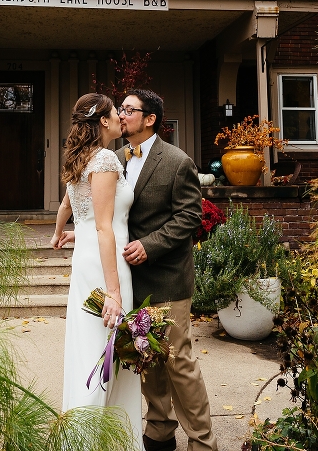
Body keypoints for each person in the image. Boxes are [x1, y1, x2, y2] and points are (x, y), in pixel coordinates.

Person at [116, 89, 217, 451]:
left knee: (178, 362)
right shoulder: (116, 158)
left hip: (168, 279)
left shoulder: (177, 161)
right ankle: (159, 427)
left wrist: (150, 244)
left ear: (150, 119)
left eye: (129, 109)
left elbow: (190, 216)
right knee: (147, 358)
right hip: (131, 279)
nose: (121, 114)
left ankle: (203, 441)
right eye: (121, 108)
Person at [50, 93, 144, 449]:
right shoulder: (104, 158)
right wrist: (114, 291)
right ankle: (98, 440)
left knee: (93, 350)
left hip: (88, 258)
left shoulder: (84, 157)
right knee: (107, 353)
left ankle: (87, 435)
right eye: (114, 112)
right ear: (103, 121)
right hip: (107, 266)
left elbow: (70, 203)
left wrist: (63, 232)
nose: (121, 116)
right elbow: (105, 227)